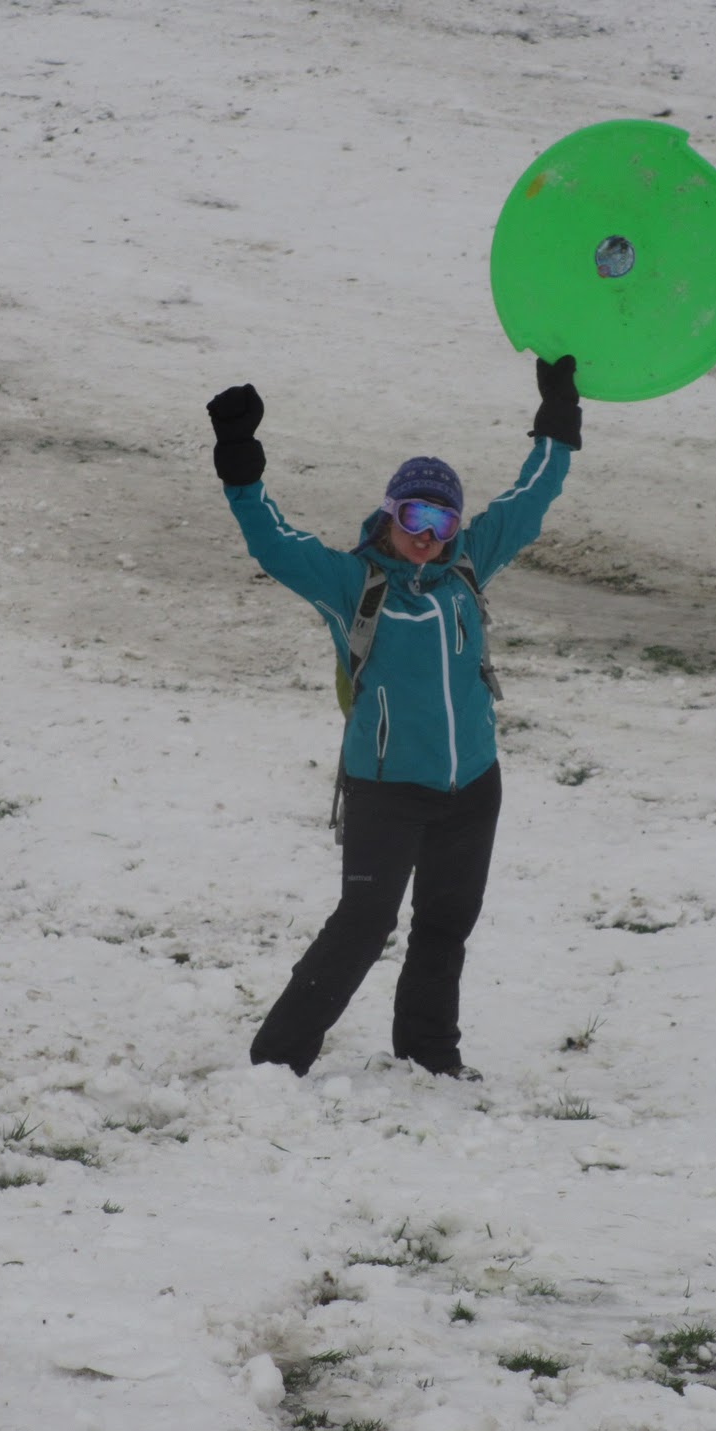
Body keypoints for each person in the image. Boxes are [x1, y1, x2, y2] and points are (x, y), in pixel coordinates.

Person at [206, 355, 581, 1080]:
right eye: (415, 516)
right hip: (387, 789)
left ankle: (430, 1054)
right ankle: (277, 1060)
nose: (428, 534)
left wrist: (557, 421)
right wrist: (240, 463)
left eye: (442, 520)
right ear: (390, 514)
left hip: (473, 786)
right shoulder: (353, 583)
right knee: (363, 924)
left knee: (445, 926)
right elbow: (274, 544)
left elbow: (531, 497)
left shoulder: (469, 565)